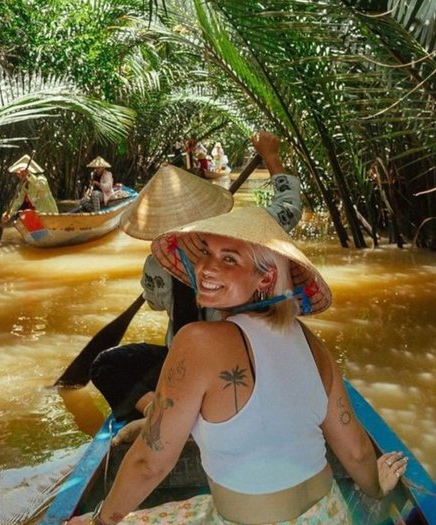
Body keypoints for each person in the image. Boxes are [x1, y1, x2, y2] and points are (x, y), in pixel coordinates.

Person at [39, 206, 410, 525]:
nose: (205, 269)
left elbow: (150, 464)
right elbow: (358, 452)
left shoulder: (197, 341)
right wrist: (376, 487)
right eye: (206, 254)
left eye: (229, 259)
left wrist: (96, 522)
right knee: (197, 511)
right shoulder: (312, 344)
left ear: (265, 278)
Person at [90, 131, 303, 425]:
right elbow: (289, 207)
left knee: (106, 365)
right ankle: (168, 413)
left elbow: (154, 304)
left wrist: (157, 279)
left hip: (189, 363)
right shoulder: (243, 239)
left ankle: (158, 411)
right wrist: (271, 157)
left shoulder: (155, 265)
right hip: (245, 363)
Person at [1, 154, 58, 222]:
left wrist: (29, 175)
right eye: (18, 173)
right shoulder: (25, 185)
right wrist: (9, 213)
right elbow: (18, 201)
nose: (19, 175)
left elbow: (41, 186)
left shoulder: (41, 178)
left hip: (51, 214)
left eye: (21, 172)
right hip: (40, 217)